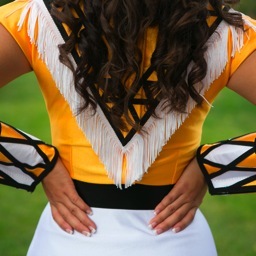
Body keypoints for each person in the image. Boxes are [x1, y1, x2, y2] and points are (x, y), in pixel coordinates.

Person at [0, 0, 255, 255]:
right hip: (175, 237)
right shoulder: (225, 30)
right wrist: (212, 166)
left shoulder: (36, 19)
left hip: (68, 237)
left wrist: (36, 162)